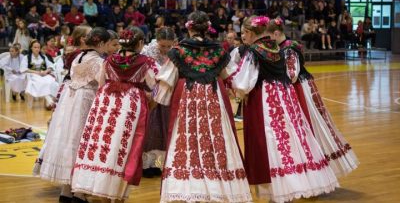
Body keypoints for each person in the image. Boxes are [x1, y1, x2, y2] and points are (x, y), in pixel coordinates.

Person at [230, 16, 338, 203]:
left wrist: (230, 83)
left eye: (244, 33)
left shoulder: (255, 51)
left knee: (270, 141)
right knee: (287, 139)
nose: (243, 37)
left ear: (249, 32)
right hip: (284, 96)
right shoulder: (276, 47)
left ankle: (278, 190)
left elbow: (242, 82)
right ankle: (291, 185)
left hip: (264, 98)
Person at [153, 11, 252, 202]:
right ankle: (218, 183)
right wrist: (243, 93)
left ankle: (189, 185)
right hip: (212, 97)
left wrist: (155, 99)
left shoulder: (179, 50)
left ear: (188, 27)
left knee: (189, 137)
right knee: (214, 137)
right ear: (208, 28)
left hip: (188, 98)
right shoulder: (218, 50)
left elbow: (166, 81)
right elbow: (230, 77)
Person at [71, 26, 159, 201]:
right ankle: (116, 194)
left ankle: (100, 190)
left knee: (102, 143)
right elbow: (159, 86)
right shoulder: (146, 62)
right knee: (122, 147)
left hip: (106, 102)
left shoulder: (108, 60)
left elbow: (102, 83)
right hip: (129, 104)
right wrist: (151, 101)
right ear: (140, 43)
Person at [267, 17, 359, 178]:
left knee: (311, 124)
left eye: (269, 36)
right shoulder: (282, 47)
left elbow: (292, 74)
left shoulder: (289, 48)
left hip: (302, 88)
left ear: (275, 33)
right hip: (299, 87)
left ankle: (319, 169)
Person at [33, 28, 111, 203]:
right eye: (106, 44)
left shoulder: (78, 56)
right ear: (100, 44)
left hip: (70, 101)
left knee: (71, 139)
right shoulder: (97, 60)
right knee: (81, 141)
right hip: (85, 101)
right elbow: (102, 84)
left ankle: (66, 191)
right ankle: (78, 193)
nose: (107, 48)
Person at [141, 27, 176, 177]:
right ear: (157, 41)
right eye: (163, 46)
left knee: (163, 129)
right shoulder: (147, 52)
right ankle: (145, 165)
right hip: (150, 94)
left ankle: (156, 163)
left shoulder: (174, 53)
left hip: (167, 95)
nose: (166, 49)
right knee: (150, 129)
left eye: (169, 46)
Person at [20, 40, 59, 108]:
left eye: (38, 47)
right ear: (31, 48)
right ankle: (49, 101)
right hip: (32, 75)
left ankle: (49, 102)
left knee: (52, 82)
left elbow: (51, 66)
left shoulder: (43, 57)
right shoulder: (27, 57)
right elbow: (23, 69)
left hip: (43, 74)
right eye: (35, 47)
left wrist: (46, 71)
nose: (37, 49)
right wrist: (36, 72)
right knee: (40, 82)